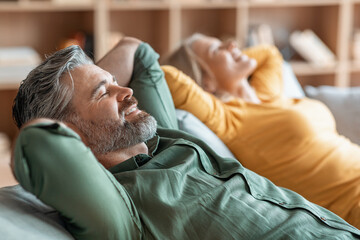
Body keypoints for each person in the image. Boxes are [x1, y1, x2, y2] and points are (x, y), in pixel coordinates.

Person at [11, 36, 360, 239]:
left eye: (116, 80)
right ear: (71, 132)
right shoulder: (122, 204)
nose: (128, 90)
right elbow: (37, 144)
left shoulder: (163, 137)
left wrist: (92, 88)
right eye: (106, 92)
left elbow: (139, 51)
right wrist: (71, 112)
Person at [161, 33, 360, 228]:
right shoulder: (228, 119)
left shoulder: (267, 94)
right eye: (217, 50)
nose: (231, 44)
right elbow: (167, 76)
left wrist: (232, 59)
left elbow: (269, 54)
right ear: (206, 82)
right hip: (351, 203)